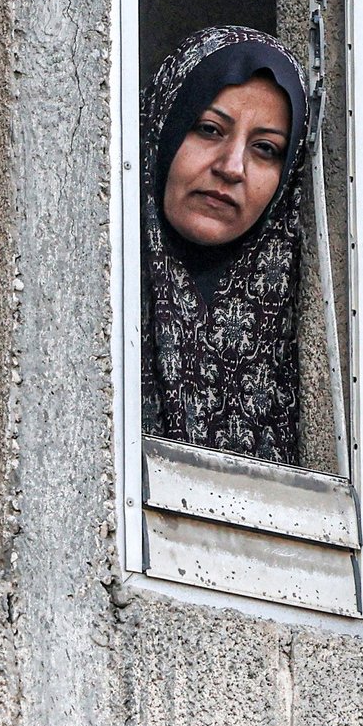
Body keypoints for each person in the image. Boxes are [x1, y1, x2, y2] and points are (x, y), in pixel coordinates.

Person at [140, 25, 310, 463]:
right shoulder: (95, 297)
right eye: (209, 129)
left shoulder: (293, 334)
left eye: (265, 149)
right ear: (163, 128)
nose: (232, 167)